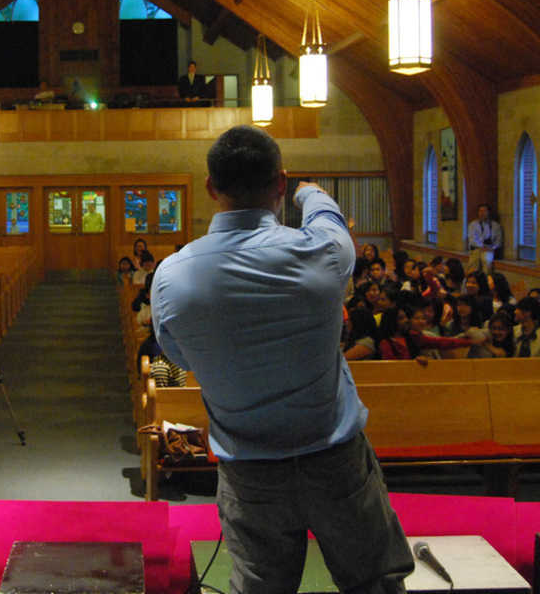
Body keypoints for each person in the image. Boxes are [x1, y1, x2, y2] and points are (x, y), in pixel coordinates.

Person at [150, 125, 413, 594]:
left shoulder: (174, 276)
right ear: (279, 184)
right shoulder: (323, 252)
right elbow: (326, 213)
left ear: (211, 188)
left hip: (250, 468)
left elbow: (178, 356)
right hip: (334, 458)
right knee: (374, 583)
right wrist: (308, 191)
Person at [468, 203, 502, 274]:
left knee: (486, 260)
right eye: (480, 211)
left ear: (489, 212)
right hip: (477, 249)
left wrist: (492, 248)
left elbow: (498, 241)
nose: (482, 213)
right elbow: (472, 240)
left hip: (489, 249)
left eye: (484, 211)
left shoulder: (495, 225)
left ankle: (486, 280)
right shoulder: (473, 225)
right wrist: (482, 246)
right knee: (473, 263)